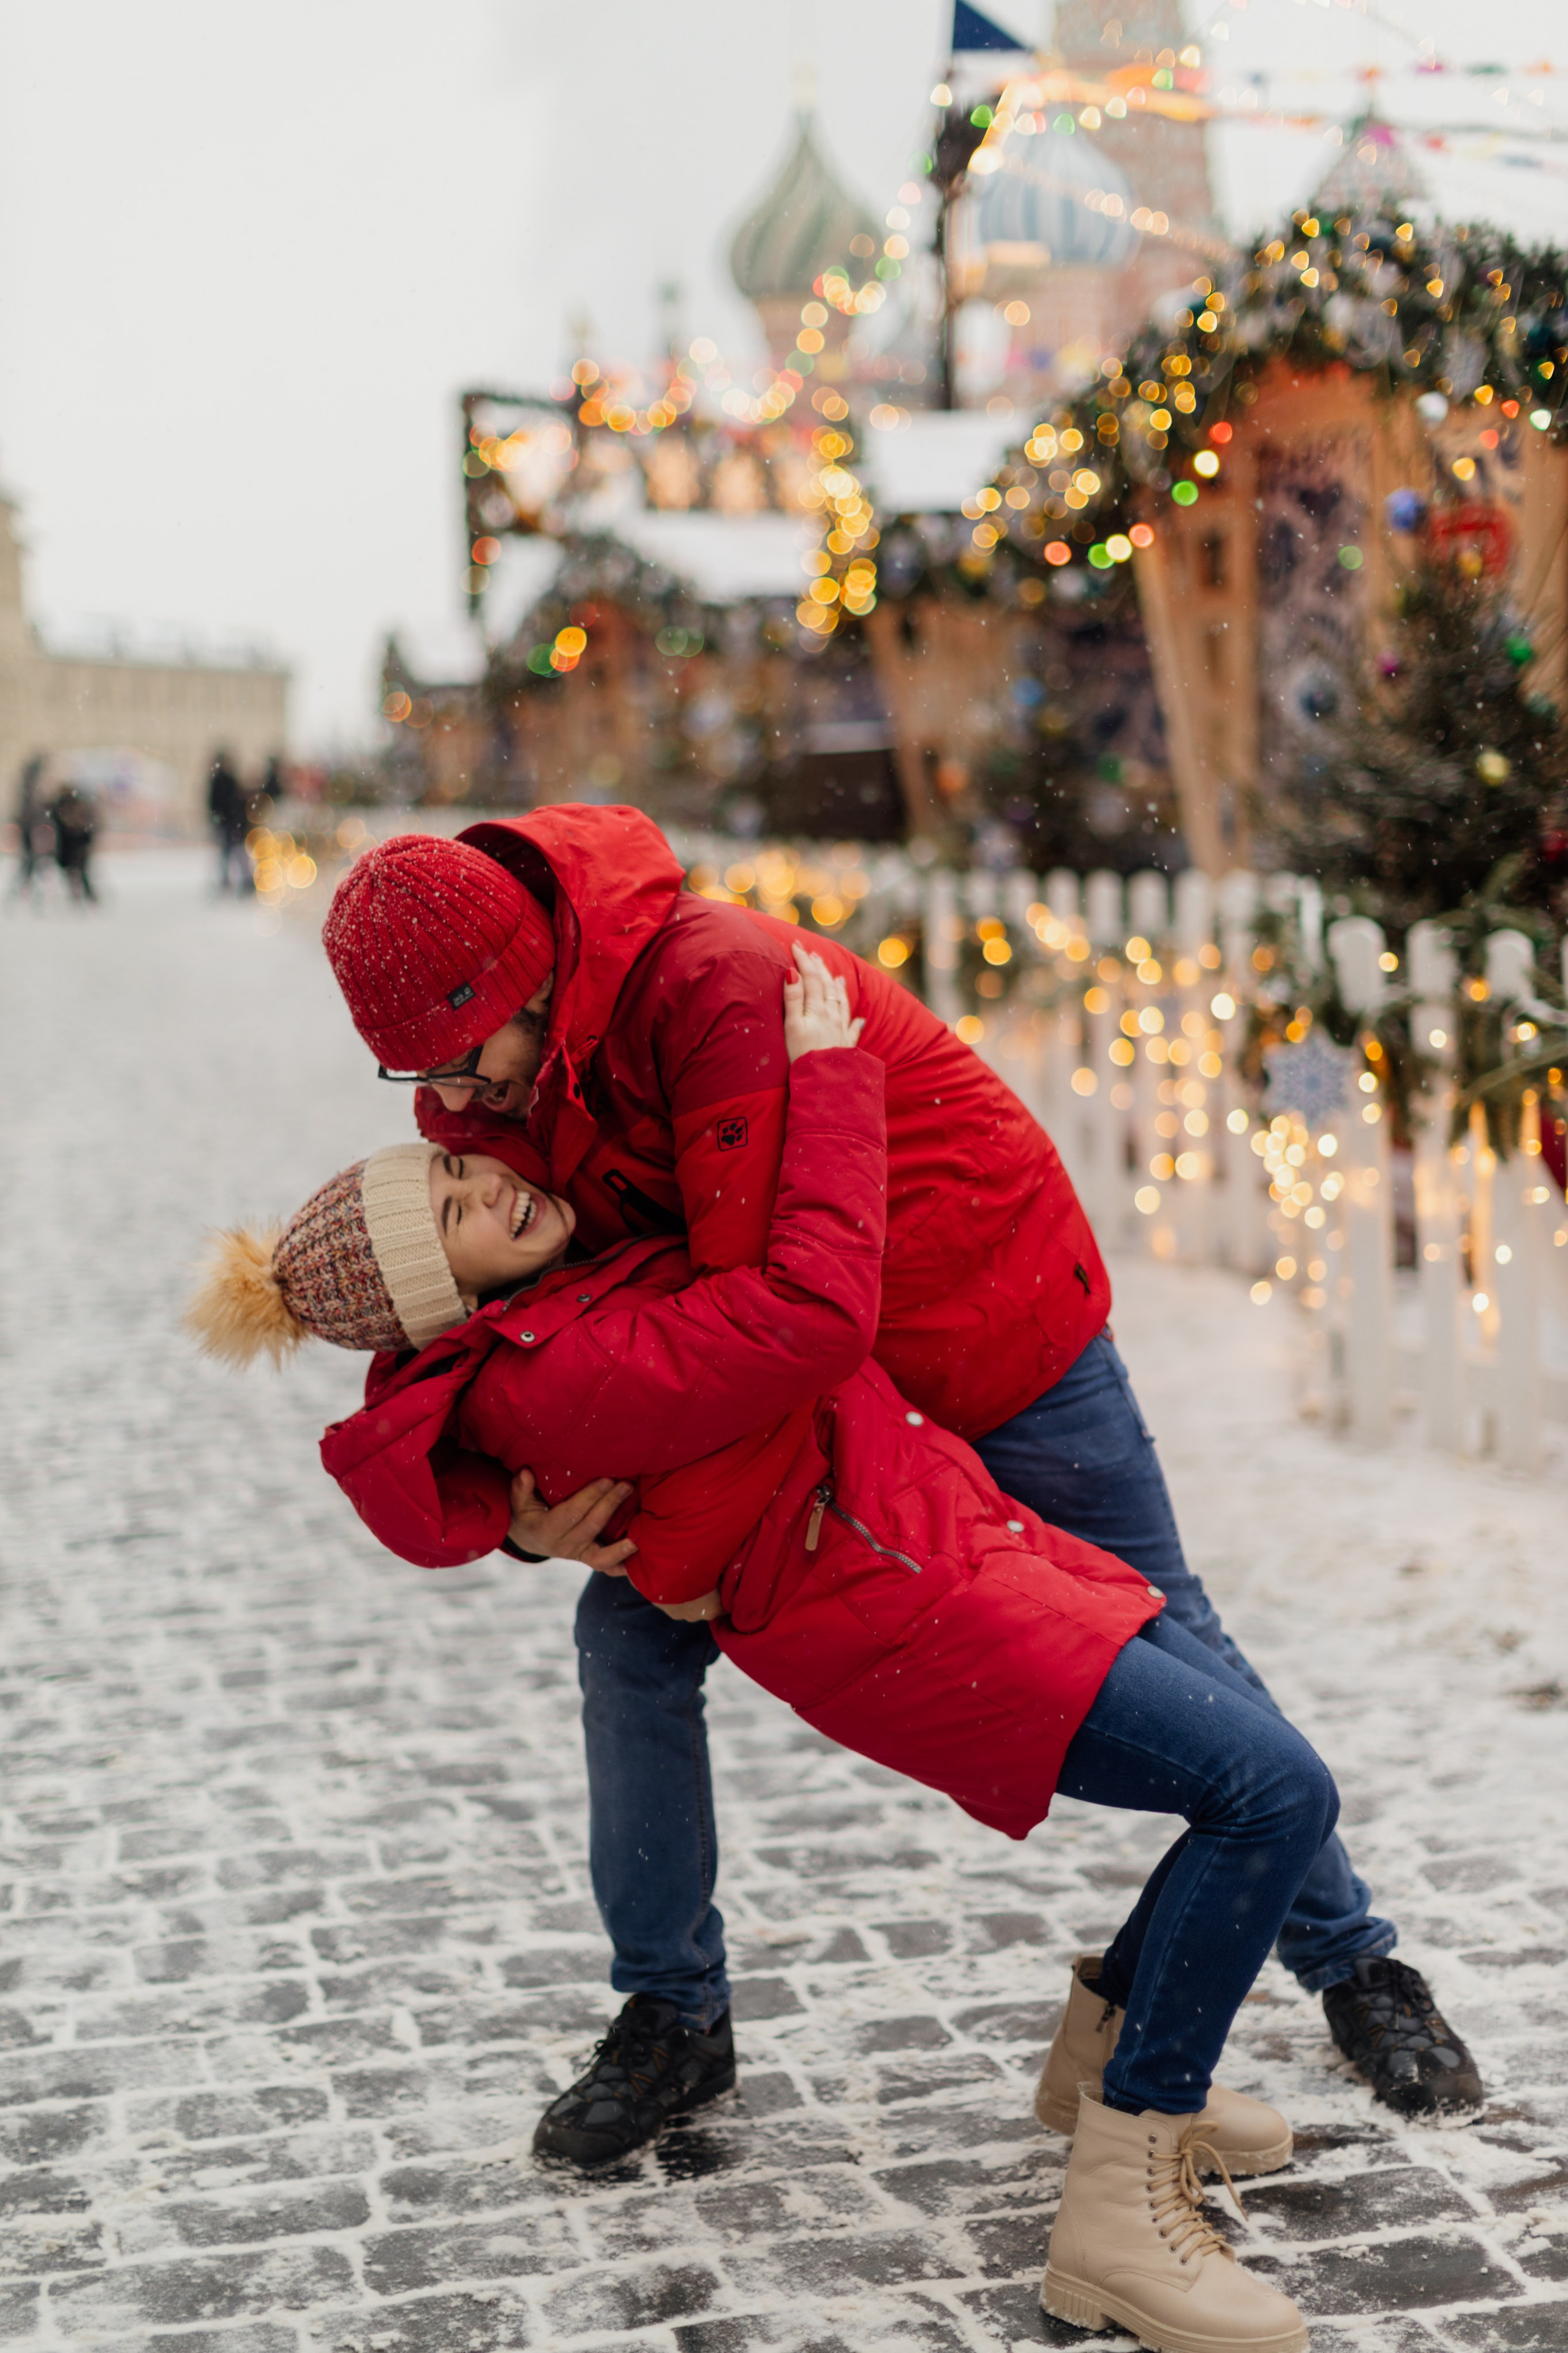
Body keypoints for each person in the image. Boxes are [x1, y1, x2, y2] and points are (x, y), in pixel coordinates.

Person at [191, 950, 1334, 2353]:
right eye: (450, 1215)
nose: (482, 1180)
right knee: (1268, 1790)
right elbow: (807, 1305)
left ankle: (1110, 2049)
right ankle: (1117, 2193)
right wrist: (830, 1072)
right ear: (447, 1299)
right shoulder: (559, 1367)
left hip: (934, 1533)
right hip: (898, 1600)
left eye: (454, 1170)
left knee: (1254, 1779)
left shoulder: (561, 1306)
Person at [316, 806, 1482, 2142]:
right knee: (626, 1644)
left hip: (978, 1319)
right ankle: (671, 2014)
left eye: (459, 1064)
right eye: (418, 1084)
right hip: (798, 1392)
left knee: (1161, 1625)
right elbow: (544, 1320)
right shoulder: (510, 1083)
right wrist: (533, 1515)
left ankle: (1353, 1964)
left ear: (523, 981)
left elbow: (787, 1301)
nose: (451, 1107)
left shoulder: (720, 983)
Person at [47, 779, 97, 904]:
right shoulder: (71, 804)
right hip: (72, 842)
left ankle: (84, 895)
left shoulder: (67, 805)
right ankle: (83, 895)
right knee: (78, 871)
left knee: (77, 871)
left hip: (72, 842)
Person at [208, 750, 249, 893]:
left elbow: (215, 803)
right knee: (233, 851)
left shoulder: (220, 780)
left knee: (230, 852)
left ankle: (233, 880)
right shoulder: (227, 780)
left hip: (229, 822)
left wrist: (217, 818)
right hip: (231, 822)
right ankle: (242, 880)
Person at [12, 754, 48, 901]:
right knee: (31, 863)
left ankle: (26, 891)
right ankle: (25, 892)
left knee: (31, 864)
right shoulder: (30, 787)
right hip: (31, 828)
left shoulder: (28, 786)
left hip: (31, 828)